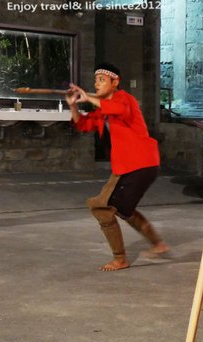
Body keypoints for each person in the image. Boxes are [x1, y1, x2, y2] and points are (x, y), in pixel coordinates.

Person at [66, 63, 168, 271]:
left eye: (102, 80)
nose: (98, 83)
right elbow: (82, 125)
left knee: (101, 207)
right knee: (124, 209)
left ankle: (120, 258)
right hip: (126, 166)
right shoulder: (101, 110)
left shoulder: (124, 99)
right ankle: (158, 244)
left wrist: (88, 98)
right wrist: (73, 106)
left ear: (115, 82)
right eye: (96, 80)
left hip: (140, 162)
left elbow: (119, 110)